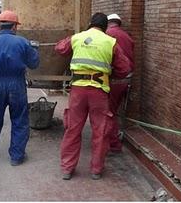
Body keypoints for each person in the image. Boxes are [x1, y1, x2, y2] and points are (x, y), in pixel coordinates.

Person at [55, 12, 131, 180]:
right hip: (99, 91)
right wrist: (110, 73)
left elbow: (60, 48)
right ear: (105, 28)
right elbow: (125, 68)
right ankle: (96, 169)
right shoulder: (110, 42)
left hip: (78, 91)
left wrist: (76, 39)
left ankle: (67, 168)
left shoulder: (78, 37)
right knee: (100, 131)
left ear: (90, 24)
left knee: (73, 130)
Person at [0, 10, 40, 166]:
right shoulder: (22, 42)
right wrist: (34, 49)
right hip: (17, 85)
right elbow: (34, 64)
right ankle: (16, 157)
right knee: (19, 120)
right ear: (14, 27)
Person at [106, 13, 135, 153]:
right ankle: (115, 135)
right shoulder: (127, 36)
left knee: (109, 113)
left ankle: (113, 144)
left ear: (108, 23)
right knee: (115, 111)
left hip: (114, 80)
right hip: (127, 79)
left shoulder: (107, 34)